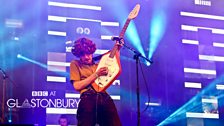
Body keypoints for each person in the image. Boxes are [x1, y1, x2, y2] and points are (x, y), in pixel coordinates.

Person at [70, 37, 122, 126]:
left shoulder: (99, 64)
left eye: (88, 53)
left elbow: (113, 66)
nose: (86, 57)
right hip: (88, 97)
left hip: (104, 97)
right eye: (82, 55)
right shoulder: (75, 64)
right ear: (78, 55)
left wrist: (118, 49)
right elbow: (77, 86)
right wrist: (96, 74)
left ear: (92, 52)